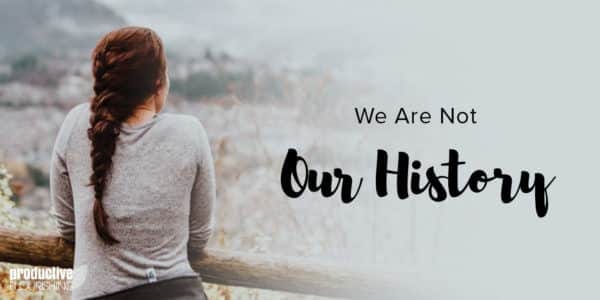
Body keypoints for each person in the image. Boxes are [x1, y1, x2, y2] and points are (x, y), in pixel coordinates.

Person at [50, 26, 215, 299]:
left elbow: (68, 229)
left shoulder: (75, 125)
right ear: (159, 83)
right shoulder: (190, 133)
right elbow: (198, 237)